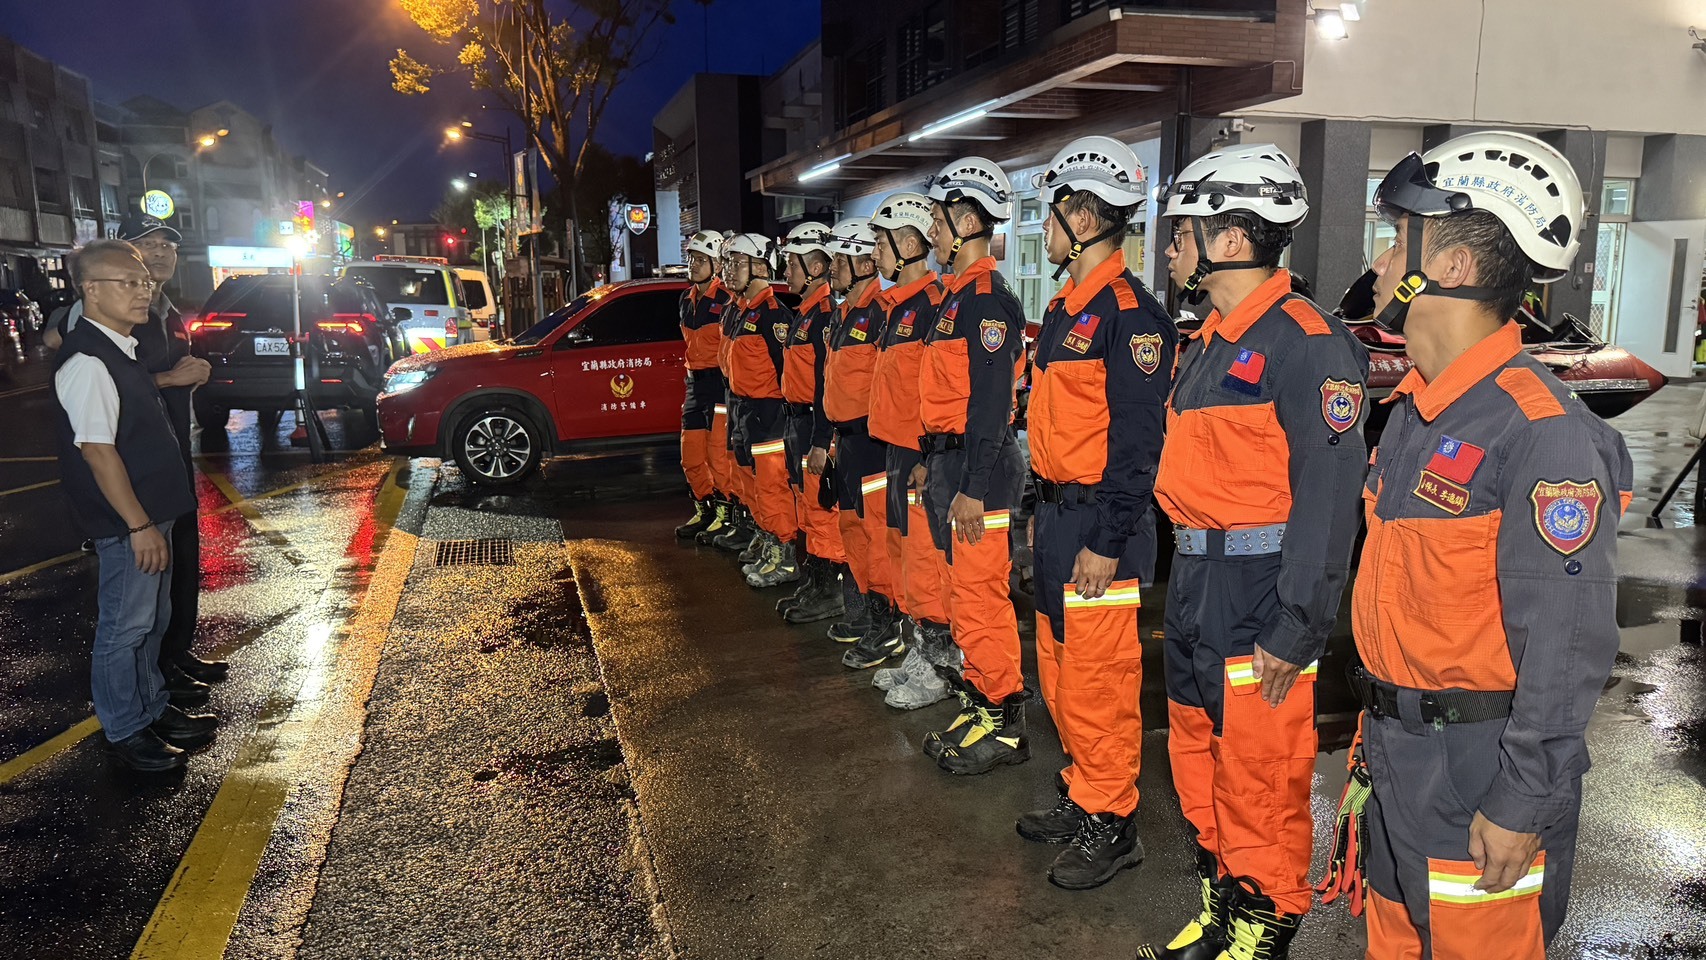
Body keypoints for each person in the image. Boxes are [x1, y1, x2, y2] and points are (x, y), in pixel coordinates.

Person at [1343, 131, 1631, 960]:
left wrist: (1521, 799)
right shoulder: (1415, 412)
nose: (1385, 259)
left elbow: (1569, 643)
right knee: (1393, 942)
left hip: (1480, 769)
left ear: (1457, 266)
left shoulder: (1542, 434)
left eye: (1402, 238)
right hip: (1400, 749)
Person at [1140, 144, 1368, 959]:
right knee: (1197, 752)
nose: (1172, 248)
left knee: (1260, 774)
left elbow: (1330, 496)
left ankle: (1263, 925)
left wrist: (1298, 622)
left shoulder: (1305, 343)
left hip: (1263, 590)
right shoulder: (1204, 341)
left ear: (1230, 240)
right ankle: (1224, 903)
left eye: (1185, 232)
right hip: (1200, 581)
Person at [1016, 136, 1176, 891]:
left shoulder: (1131, 318)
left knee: (1101, 682)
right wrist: (1032, 516)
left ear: (1082, 216)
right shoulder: (1061, 310)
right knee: (1058, 673)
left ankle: (1114, 825)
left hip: (1099, 530)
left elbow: (1138, 447)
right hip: (1056, 522)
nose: (1043, 229)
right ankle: (1086, 794)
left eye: (1050, 214)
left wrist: (1108, 542)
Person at [51, 240, 218, 772]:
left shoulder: (120, 350)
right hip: (132, 523)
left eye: (144, 282)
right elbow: (98, 454)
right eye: (128, 282)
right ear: (90, 290)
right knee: (125, 627)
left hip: (152, 514)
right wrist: (139, 524)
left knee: (152, 618)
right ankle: (126, 728)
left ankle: (152, 707)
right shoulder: (88, 361)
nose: (142, 290)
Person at [915, 157, 1030, 776]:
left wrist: (973, 489)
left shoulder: (985, 302)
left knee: (982, 598)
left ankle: (1004, 719)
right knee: (963, 595)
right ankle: (984, 698)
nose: (931, 231)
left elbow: (990, 407)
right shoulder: (954, 298)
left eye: (936, 219)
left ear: (964, 221)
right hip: (951, 466)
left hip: (977, 472)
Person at [866, 192, 956, 709]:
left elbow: (938, 393)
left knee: (927, 563)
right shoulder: (898, 308)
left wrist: (928, 455)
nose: (875, 252)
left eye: (881, 242)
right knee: (904, 558)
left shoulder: (932, 308)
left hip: (922, 458)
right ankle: (923, 651)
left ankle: (943, 666)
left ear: (907, 243)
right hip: (896, 453)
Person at [818, 217, 907, 668]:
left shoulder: (880, 312)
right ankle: (871, 616)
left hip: (874, 444)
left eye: (839, 258)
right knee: (853, 533)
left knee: (877, 539)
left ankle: (888, 626)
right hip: (847, 443)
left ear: (861, 260)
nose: (831, 267)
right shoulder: (842, 313)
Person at [774, 222, 848, 614]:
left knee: (821, 509)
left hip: (813, 424)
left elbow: (825, 386)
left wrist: (822, 441)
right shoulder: (804, 314)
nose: (787, 272)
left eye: (793, 264)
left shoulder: (822, 315)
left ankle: (830, 592)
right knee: (805, 505)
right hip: (796, 423)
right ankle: (814, 581)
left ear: (815, 268)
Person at [721, 233, 799, 585]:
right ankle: (767, 540)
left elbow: (787, 374)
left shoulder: (772, 315)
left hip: (768, 414)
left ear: (762, 267)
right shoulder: (737, 312)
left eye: (738, 263)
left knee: (771, 487)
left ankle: (784, 556)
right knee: (749, 484)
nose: (730, 270)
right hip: (741, 410)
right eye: (728, 262)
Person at [675, 230, 735, 540]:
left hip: (719, 384)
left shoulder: (727, 299)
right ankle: (705, 509)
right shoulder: (686, 299)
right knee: (691, 455)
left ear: (716, 264)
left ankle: (727, 515)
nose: (693, 264)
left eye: (701, 260)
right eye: (691, 258)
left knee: (718, 456)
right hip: (694, 385)